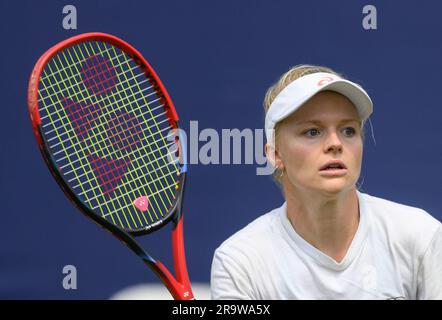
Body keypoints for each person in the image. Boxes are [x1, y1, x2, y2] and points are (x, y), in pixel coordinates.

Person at [210, 64, 442, 299]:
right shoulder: (239, 263)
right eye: (312, 131)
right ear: (276, 154)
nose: (335, 143)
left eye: (348, 130)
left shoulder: (422, 237)